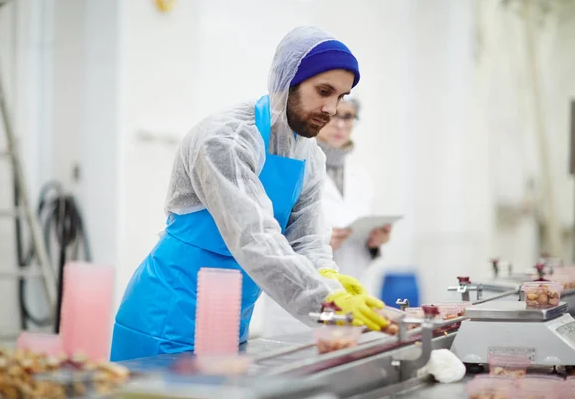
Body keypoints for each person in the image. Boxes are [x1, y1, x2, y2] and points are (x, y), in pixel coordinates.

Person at [110, 26, 389, 362]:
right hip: (167, 315)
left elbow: (307, 241)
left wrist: (329, 279)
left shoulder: (309, 155)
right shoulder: (226, 140)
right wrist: (327, 302)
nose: (331, 109)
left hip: (228, 318)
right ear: (288, 82)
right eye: (324, 91)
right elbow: (253, 237)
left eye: (341, 97)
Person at [261, 97, 392, 337]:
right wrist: (317, 244)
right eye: (334, 115)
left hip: (354, 295)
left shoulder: (361, 176)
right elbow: (267, 235)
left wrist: (374, 244)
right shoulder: (294, 166)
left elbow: (363, 244)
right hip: (301, 304)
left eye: (348, 116)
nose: (340, 125)